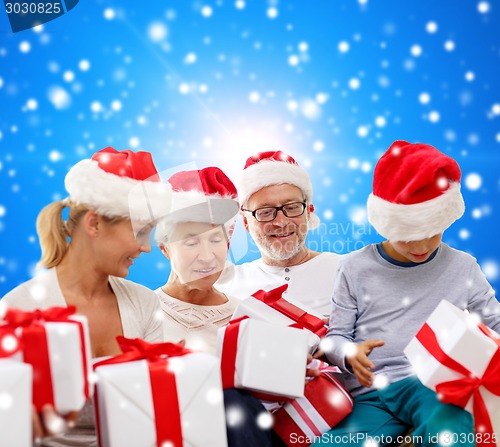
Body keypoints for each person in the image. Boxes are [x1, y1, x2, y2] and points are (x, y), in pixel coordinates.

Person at [314, 140, 500, 446]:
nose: (422, 247)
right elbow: (336, 336)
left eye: (433, 233)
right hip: (370, 393)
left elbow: (495, 321)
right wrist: (350, 353)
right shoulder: (354, 267)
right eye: (408, 237)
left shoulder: (463, 267)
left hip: (431, 387)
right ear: (385, 223)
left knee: (452, 433)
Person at [1, 147, 171, 446]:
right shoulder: (19, 309)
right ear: (94, 224)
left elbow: (154, 412)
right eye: (141, 232)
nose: (146, 248)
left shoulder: (145, 304)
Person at [154, 166, 274, 447]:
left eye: (216, 240)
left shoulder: (246, 317)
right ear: (165, 248)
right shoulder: (141, 311)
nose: (207, 257)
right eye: (191, 242)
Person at [216, 150, 342, 317]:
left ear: (309, 212)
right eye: (265, 212)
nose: (281, 222)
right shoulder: (227, 286)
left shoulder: (346, 272)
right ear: (246, 222)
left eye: (291, 208)